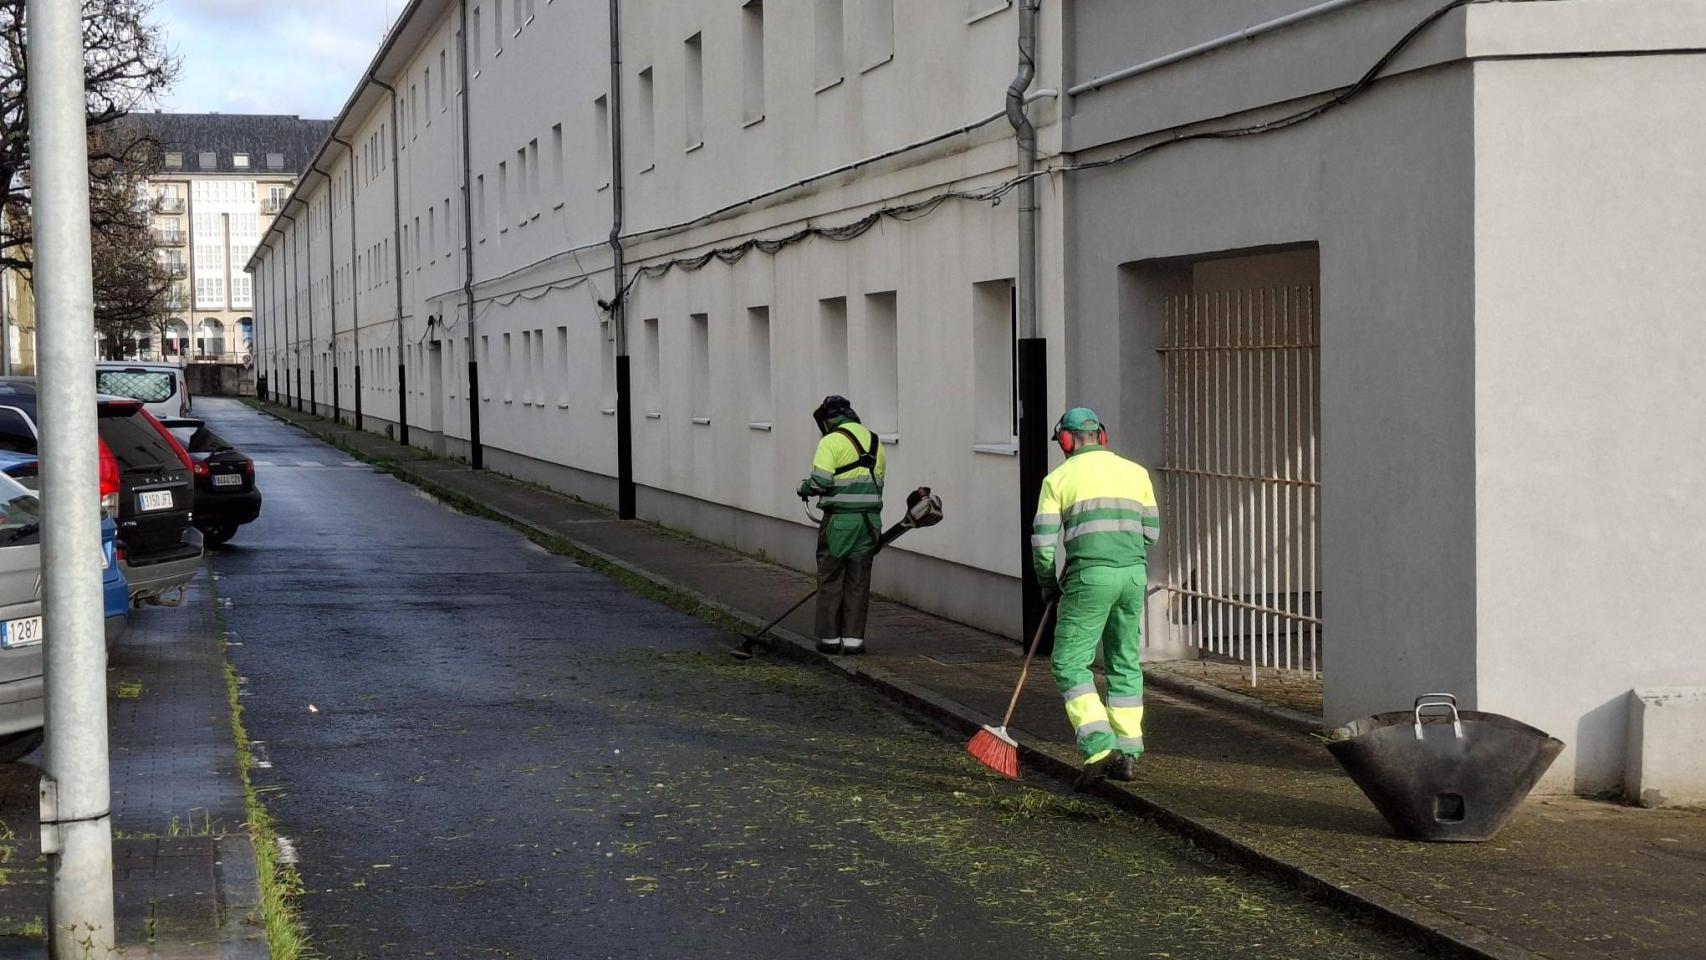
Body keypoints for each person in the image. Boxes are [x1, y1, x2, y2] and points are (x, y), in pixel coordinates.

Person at [1030, 407, 1160, 788]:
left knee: (1070, 663)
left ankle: (1100, 746)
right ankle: (1129, 750)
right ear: (1101, 436)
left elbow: (1042, 544)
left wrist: (1048, 583)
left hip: (1089, 578)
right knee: (1124, 661)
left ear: (1066, 441)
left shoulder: (1058, 479)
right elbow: (1150, 533)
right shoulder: (1136, 473)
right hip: (1134, 575)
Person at [797, 395, 886, 655]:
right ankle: (853, 640)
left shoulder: (831, 441)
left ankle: (829, 639)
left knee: (831, 578)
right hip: (870, 522)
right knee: (858, 581)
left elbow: (821, 482)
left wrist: (804, 487)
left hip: (839, 522)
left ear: (829, 420)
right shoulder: (875, 441)